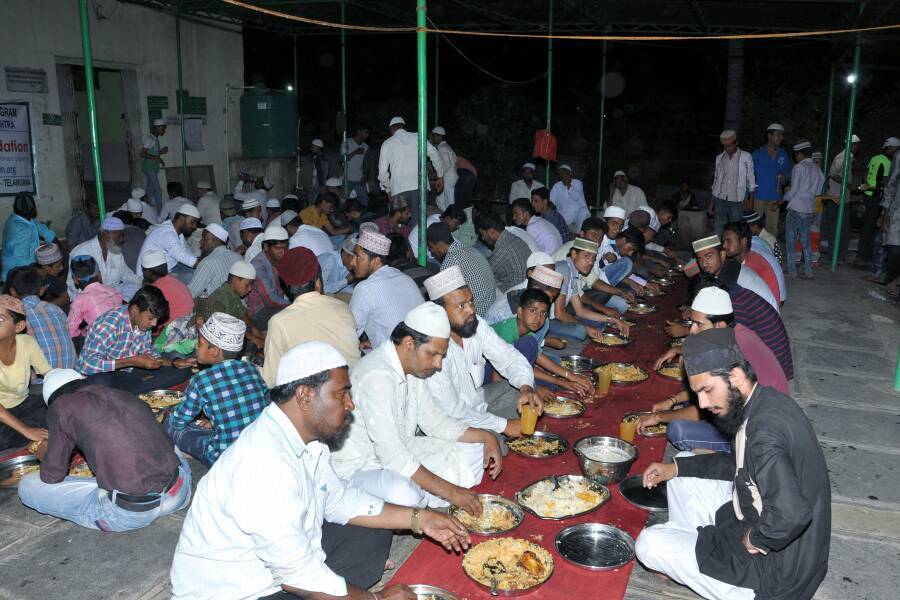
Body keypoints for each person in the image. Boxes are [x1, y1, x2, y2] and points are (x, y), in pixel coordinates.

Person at [170, 340, 470, 600]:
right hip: (238, 590)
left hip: (278, 564)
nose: (351, 404)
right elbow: (295, 575)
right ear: (304, 396)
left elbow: (339, 500)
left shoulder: (308, 440)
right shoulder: (263, 465)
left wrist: (419, 519)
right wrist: (375, 597)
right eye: (341, 394)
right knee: (323, 578)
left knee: (373, 535)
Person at [635, 328, 830, 600]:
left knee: (649, 544)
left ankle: (699, 559)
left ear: (735, 377)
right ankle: (695, 552)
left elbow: (792, 514)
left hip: (775, 575)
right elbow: (736, 464)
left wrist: (756, 539)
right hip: (761, 527)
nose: (703, 403)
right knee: (683, 465)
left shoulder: (764, 434)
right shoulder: (763, 401)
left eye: (707, 390)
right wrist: (674, 469)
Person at [332, 302, 502, 510]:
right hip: (361, 467)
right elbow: (391, 454)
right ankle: (429, 499)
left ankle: (432, 496)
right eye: (433, 354)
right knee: (405, 494)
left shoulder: (414, 368)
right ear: (408, 343)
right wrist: (451, 491)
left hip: (402, 449)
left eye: (442, 356)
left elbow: (435, 422)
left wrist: (487, 436)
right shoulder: (376, 375)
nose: (438, 364)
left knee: (474, 448)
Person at [18, 368, 192, 530]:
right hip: (179, 492)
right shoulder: (121, 394)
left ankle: (108, 497)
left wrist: (44, 453)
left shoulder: (60, 407)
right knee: (160, 447)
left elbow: (52, 475)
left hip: (131, 513)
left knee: (27, 485)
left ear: (52, 400)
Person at [642, 287, 788, 452]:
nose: (692, 331)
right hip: (757, 411)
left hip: (760, 434)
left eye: (699, 324)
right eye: (692, 323)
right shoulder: (734, 335)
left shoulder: (733, 351)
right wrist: (673, 401)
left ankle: (729, 461)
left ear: (720, 325)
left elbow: (708, 407)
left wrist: (659, 418)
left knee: (678, 430)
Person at [423, 267, 542, 445]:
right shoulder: (431, 349)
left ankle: (497, 434)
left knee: (525, 393)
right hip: (450, 420)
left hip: (478, 402)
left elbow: (509, 357)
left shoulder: (476, 325)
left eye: (471, 302)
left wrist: (526, 387)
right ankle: (496, 437)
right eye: (461, 306)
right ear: (440, 312)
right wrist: (504, 425)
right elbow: (452, 410)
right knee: (494, 444)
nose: (470, 310)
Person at [164, 313, 267, 466]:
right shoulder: (251, 368)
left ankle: (197, 452)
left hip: (224, 458)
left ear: (214, 352)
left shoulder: (201, 380)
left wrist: (170, 414)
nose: (195, 346)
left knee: (170, 426)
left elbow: (178, 421)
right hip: (257, 448)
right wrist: (213, 422)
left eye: (199, 343)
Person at [262, 247, 361, 386]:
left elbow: (271, 380)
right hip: (357, 386)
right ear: (318, 282)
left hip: (320, 401)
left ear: (285, 287)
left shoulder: (279, 322)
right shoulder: (342, 308)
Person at [76, 286, 193, 394]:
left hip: (129, 373)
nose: (154, 324)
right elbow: (86, 365)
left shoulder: (143, 325)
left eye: (156, 319)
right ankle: (127, 395)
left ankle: (128, 396)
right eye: (151, 318)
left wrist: (174, 363)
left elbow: (151, 356)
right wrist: (131, 361)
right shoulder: (108, 325)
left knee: (183, 371)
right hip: (107, 375)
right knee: (100, 383)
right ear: (135, 310)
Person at [349, 230, 424, 347]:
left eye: (358, 257)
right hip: (417, 351)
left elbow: (351, 333)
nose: (352, 262)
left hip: (394, 359)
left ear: (375, 261)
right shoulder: (405, 278)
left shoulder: (365, 288)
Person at [551, 238, 629, 341]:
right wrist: (585, 328)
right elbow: (559, 313)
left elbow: (580, 310)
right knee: (581, 331)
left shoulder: (572, 273)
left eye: (593, 258)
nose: (590, 262)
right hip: (546, 321)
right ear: (574, 254)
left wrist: (613, 320)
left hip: (557, 318)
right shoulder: (563, 269)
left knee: (600, 324)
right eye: (586, 256)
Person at [0, 295, 51, 451]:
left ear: (19, 326)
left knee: (58, 409)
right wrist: (26, 430)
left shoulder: (27, 343)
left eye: (0, 319)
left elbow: (49, 374)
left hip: (23, 404)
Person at [378, 116, 446, 228]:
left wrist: (388, 189)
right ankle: (417, 244)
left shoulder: (387, 143)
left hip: (399, 189)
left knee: (399, 220)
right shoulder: (418, 137)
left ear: (391, 129)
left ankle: (402, 242)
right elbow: (435, 155)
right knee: (418, 220)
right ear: (404, 127)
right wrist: (440, 176)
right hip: (420, 187)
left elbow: (382, 173)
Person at [5, 267, 75, 371]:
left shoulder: (16, 315)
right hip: (72, 373)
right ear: (42, 290)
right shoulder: (56, 309)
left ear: (12, 292)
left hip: (43, 381)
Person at [427, 222, 498, 317]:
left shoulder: (450, 262)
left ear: (439, 245)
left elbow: (446, 302)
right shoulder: (469, 249)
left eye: (431, 247)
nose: (431, 252)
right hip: (492, 305)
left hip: (479, 314)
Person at [693, 234, 778, 312]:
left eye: (708, 256)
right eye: (699, 259)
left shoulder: (731, 277)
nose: (704, 264)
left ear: (722, 255)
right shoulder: (729, 266)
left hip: (763, 323)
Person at [66, 216, 142, 301]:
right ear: (105, 234)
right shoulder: (81, 253)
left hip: (112, 295)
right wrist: (105, 299)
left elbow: (127, 274)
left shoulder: (115, 252)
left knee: (137, 288)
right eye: (120, 235)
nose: (123, 239)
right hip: (89, 300)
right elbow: (73, 287)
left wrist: (142, 282)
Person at [780, 140, 823, 278]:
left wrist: (781, 200)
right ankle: (808, 271)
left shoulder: (799, 168)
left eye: (795, 155)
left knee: (791, 240)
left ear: (800, 154)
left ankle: (792, 270)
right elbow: (817, 191)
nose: (795, 157)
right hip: (809, 209)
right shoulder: (817, 169)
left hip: (795, 208)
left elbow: (793, 191)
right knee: (806, 241)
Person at [856, 136, 899, 267]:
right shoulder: (888, 163)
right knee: (872, 228)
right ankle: (863, 257)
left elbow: (866, 174)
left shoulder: (875, 158)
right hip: (876, 197)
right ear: (891, 148)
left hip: (868, 195)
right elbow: (888, 182)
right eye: (895, 149)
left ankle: (862, 256)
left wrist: (866, 185)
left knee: (867, 227)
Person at [207, 261, 265, 349]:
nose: (250, 289)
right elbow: (229, 328)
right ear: (236, 280)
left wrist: (254, 329)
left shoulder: (233, 293)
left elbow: (242, 314)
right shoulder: (222, 296)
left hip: (231, 329)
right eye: (247, 284)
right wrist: (254, 339)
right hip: (216, 337)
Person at [138, 203, 201, 284]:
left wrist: (199, 261)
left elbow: (186, 253)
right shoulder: (166, 233)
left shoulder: (177, 232)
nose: (195, 226)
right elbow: (180, 255)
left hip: (170, 267)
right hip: (151, 276)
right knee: (191, 277)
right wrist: (202, 264)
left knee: (196, 272)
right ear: (181, 218)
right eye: (192, 222)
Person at [722, 222, 782, 305]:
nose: (724, 245)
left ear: (743, 241)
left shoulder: (752, 265)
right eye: (724, 241)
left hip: (765, 312)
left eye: (729, 241)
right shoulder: (749, 257)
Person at [2, 192, 56, 282]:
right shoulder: (22, 229)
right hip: (17, 275)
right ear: (34, 208)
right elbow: (21, 260)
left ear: (14, 207)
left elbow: (44, 231)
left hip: (25, 268)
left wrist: (54, 242)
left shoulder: (23, 219)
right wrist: (44, 271)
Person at [711, 130, 756, 236]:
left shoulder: (746, 157)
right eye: (725, 146)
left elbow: (751, 178)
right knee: (718, 227)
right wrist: (711, 202)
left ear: (736, 143)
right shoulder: (720, 158)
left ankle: (734, 251)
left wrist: (751, 200)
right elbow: (716, 180)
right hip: (720, 197)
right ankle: (720, 251)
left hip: (737, 199)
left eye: (729, 146)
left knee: (736, 228)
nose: (727, 149)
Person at [823, 134, 860, 263]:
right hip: (836, 199)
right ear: (853, 145)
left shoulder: (848, 157)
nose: (857, 148)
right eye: (856, 145)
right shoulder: (843, 157)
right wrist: (848, 185)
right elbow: (832, 174)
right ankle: (836, 256)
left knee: (842, 229)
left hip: (841, 198)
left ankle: (838, 256)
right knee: (837, 229)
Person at [67, 256, 123, 340]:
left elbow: (70, 331)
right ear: (99, 274)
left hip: (103, 343)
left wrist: (82, 332)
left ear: (75, 279)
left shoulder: (80, 300)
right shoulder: (112, 291)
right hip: (124, 336)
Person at [751, 123, 791, 235]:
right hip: (759, 196)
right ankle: (754, 251)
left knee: (772, 228)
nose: (781, 138)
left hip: (775, 197)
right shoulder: (757, 154)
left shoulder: (783, 154)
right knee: (754, 227)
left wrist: (784, 178)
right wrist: (748, 198)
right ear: (769, 135)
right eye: (778, 135)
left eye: (782, 135)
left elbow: (788, 174)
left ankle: (771, 251)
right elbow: (749, 176)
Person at [476, 212, 531, 293]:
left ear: (491, 231)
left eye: (483, 234)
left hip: (515, 293)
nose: (483, 238)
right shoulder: (513, 237)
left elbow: (484, 272)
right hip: (525, 285)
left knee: (482, 278)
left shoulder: (502, 249)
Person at [248, 226, 291, 329]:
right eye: (278, 248)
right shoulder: (257, 265)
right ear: (266, 247)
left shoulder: (279, 259)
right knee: (292, 314)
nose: (283, 252)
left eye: (285, 248)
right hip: (259, 312)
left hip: (275, 306)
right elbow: (270, 299)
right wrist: (295, 304)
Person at [141, 250, 195, 326]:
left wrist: (144, 289)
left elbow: (151, 320)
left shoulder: (155, 291)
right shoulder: (175, 281)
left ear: (147, 272)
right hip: (190, 323)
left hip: (174, 329)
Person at [187, 224, 241, 298]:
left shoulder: (207, 262)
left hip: (218, 307)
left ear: (215, 240)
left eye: (204, 238)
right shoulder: (239, 257)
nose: (200, 242)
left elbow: (191, 294)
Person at [549, 164, 591, 231]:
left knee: (584, 211)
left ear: (570, 174)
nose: (562, 175)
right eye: (560, 173)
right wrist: (553, 211)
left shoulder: (577, 183)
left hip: (579, 212)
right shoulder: (557, 186)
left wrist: (568, 185)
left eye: (564, 172)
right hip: (564, 213)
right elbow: (551, 200)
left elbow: (576, 197)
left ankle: (578, 235)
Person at [140, 119, 168, 213]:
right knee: (158, 190)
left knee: (150, 191)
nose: (164, 131)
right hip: (149, 168)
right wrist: (157, 157)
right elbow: (142, 154)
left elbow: (152, 153)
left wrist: (160, 153)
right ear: (157, 128)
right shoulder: (150, 139)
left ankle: (146, 210)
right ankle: (160, 214)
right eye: (163, 128)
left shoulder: (155, 139)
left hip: (153, 168)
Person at [883, 147, 900, 295]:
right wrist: (886, 211)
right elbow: (892, 182)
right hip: (897, 209)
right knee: (894, 247)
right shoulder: (899, 156)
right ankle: (892, 279)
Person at [341, 124, 371, 205]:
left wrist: (365, 175)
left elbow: (367, 163)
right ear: (359, 131)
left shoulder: (366, 147)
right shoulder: (346, 142)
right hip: (347, 179)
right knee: (344, 202)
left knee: (364, 201)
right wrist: (355, 152)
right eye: (366, 132)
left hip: (360, 180)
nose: (368, 134)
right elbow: (342, 160)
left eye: (368, 133)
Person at [430, 126, 459, 211]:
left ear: (440, 136)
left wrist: (440, 176)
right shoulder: (447, 146)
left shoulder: (442, 148)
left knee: (450, 201)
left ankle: (453, 219)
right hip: (451, 176)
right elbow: (455, 160)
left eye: (434, 136)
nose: (433, 138)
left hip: (448, 177)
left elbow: (447, 164)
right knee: (439, 200)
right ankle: (446, 216)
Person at [33, 243, 69, 309]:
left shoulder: (51, 277)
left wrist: (43, 307)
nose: (61, 268)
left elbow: (66, 297)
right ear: (46, 267)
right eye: (58, 266)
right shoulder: (26, 277)